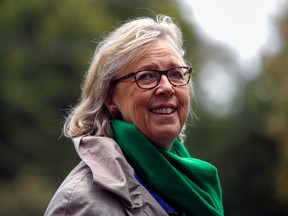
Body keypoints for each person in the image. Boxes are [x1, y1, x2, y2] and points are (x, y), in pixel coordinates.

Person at [44, 14, 224, 216]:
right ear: (110, 98)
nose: (166, 87)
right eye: (146, 76)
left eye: (175, 74)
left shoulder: (194, 184)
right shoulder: (82, 203)